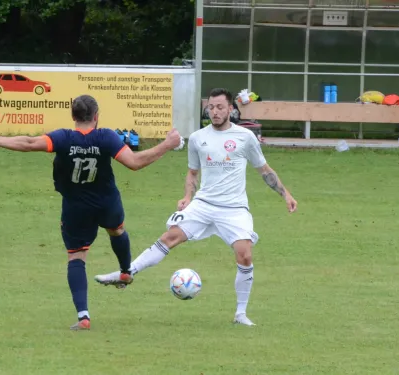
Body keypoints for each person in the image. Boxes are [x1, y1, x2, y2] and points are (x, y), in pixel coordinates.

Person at [95, 88, 298, 326]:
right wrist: (187, 196)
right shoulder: (198, 138)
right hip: (203, 204)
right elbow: (193, 173)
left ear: (231, 109)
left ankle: (240, 314)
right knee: (170, 237)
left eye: (220, 107)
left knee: (245, 255)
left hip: (234, 209)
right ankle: (126, 273)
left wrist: (285, 194)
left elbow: (265, 170)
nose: (214, 112)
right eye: (211, 107)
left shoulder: (245, 137)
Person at [0, 94, 182, 330]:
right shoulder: (106, 137)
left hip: (75, 207)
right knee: (116, 230)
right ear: (96, 116)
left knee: (76, 257)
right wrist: (167, 144)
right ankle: (126, 271)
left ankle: (83, 317)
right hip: (106, 202)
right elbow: (134, 162)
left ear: (73, 116)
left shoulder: (63, 138)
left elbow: (29, 143)